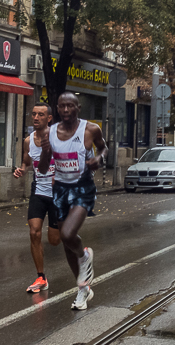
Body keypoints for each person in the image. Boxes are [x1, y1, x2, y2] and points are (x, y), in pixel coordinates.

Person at [36, 92, 107, 311]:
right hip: (59, 190)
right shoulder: (50, 133)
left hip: (82, 189)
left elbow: (104, 148)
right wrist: (46, 154)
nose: (66, 110)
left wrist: (98, 158)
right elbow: (43, 167)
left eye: (70, 106)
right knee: (65, 242)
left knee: (67, 234)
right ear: (57, 109)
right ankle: (83, 290)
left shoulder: (90, 129)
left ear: (78, 108)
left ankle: (85, 256)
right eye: (62, 107)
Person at [14, 102, 62, 293]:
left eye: (41, 115)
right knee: (34, 232)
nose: (36, 117)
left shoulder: (58, 138)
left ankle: (75, 242)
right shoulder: (27, 141)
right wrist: (22, 170)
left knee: (54, 240)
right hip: (39, 192)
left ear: (49, 118)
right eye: (34, 114)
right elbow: (26, 162)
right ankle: (41, 277)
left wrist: (59, 177)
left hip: (58, 195)